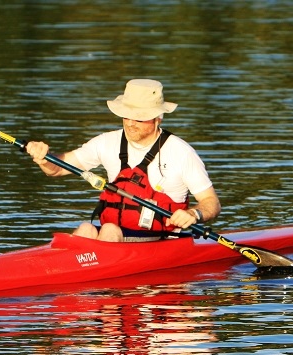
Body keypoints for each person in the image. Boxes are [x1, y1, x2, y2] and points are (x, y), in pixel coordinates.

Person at [25, 79, 221, 242]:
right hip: (113, 238)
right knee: (87, 229)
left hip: (160, 239)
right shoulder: (106, 142)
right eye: (126, 115)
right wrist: (44, 159)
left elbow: (211, 202)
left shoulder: (181, 152)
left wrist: (193, 214)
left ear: (158, 118)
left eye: (139, 117)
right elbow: (57, 169)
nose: (130, 122)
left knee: (109, 230)